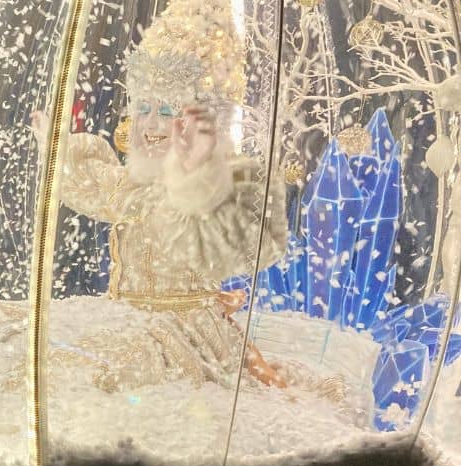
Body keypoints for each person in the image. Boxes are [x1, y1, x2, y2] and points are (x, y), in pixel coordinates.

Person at [30, 0, 289, 392]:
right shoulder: (132, 184)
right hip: (124, 316)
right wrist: (59, 149)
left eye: (167, 110)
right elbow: (92, 185)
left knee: (117, 376)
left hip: (181, 331)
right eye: (144, 108)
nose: (150, 123)